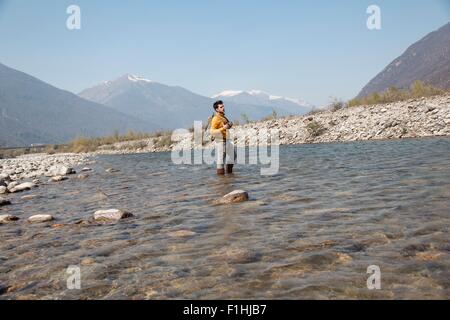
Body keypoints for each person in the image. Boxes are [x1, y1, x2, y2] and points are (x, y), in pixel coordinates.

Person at [210, 100, 237, 175]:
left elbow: (225, 126)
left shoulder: (222, 116)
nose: (223, 108)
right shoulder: (215, 118)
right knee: (221, 161)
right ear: (217, 109)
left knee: (233, 156)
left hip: (227, 140)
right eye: (221, 107)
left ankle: (229, 175)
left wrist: (229, 125)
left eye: (223, 106)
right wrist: (224, 128)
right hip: (220, 141)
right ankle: (221, 182)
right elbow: (212, 131)